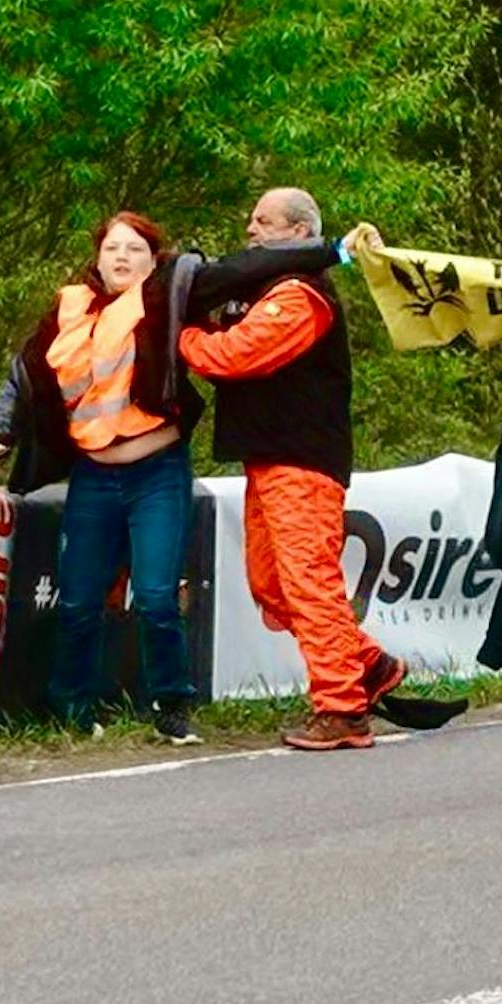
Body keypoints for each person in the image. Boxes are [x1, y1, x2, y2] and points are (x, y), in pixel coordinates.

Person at [0, 211, 349, 741]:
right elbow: (24, 375)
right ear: (97, 256)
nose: (122, 258)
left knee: (155, 597)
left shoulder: (169, 296)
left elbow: (252, 265)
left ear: (155, 260)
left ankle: (173, 708)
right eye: (112, 249)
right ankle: (72, 709)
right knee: (79, 598)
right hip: (93, 477)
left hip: (157, 473)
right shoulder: (68, 307)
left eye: (134, 250)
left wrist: (334, 250)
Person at [177, 190, 414, 751]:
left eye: (265, 221)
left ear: (301, 231)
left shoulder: (301, 293)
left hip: (302, 461)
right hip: (267, 458)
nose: (250, 229)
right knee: (272, 585)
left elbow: (236, 356)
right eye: (251, 218)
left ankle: (341, 710)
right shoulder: (256, 286)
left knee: (309, 583)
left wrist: (181, 336)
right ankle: (369, 667)